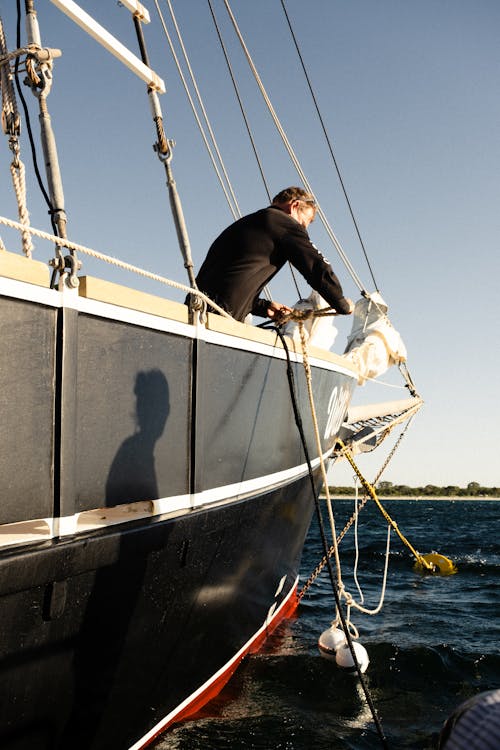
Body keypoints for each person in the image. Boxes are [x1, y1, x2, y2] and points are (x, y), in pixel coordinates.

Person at [193, 186, 354, 323]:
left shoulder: (250, 223)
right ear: (295, 206)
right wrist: (340, 301)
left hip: (198, 309)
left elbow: (228, 279)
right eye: (305, 223)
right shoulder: (283, 222)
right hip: (220, 318)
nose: (303, 230)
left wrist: (264, 307)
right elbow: (316, 265)